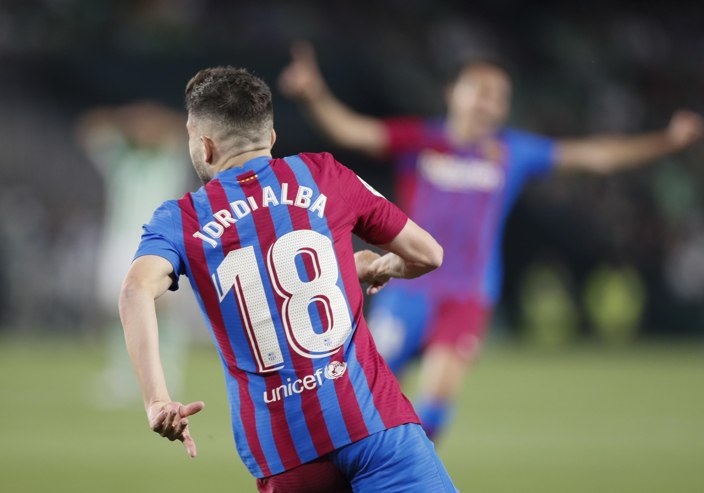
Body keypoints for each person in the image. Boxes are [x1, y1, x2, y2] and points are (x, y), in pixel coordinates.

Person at [278, 43, 704, 440]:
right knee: (360, 396)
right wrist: (314, 94)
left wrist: (666, 141)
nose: (489, 103)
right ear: (452, 93)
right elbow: (352, 132)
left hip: (468, 293)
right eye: (480, 91)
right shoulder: (421, 141)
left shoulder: (512, 151)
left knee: (435, 404)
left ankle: (404, 479)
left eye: (498, 96)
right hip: (406, 286)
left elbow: (594, 157)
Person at [118, 66, 457, 493]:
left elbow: (135, 290)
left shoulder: (181, 220)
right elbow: (429, 253)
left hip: (284, 454)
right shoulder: (325, 175)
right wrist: (379, 265)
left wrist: (157, 400)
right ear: (271, 138)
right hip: (374, 426)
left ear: (204, 146)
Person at [77, 102, 196, 407]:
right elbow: (90, 127)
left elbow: (183, 130)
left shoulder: (169, 159)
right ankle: (123, 375)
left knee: (166, 310)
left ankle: (170, 370)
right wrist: (127, 118)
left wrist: (155, 118)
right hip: (120, 243)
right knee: (122, 310)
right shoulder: (120, 159)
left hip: (159, 240)